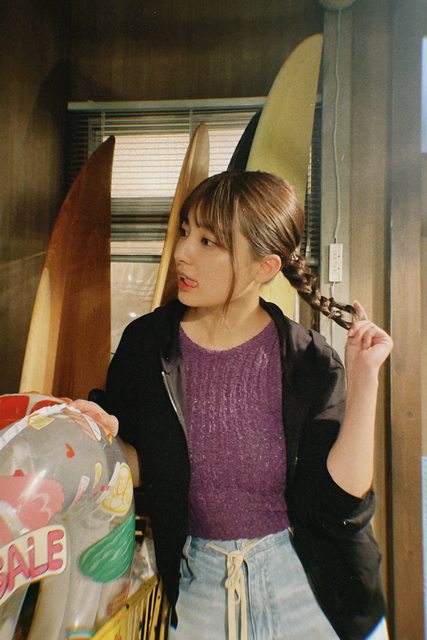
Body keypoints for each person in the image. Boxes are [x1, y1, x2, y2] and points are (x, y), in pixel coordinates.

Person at [73, 171, 393, 640]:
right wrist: (100, 442)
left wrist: (365, 379)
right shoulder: (147, 345)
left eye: (208, 242)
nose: (182, 252)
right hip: (199, 585)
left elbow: (338, 501)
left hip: (312, 589)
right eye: (185, 231)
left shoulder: (309, 361)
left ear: (265, 267)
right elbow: (143, 467)